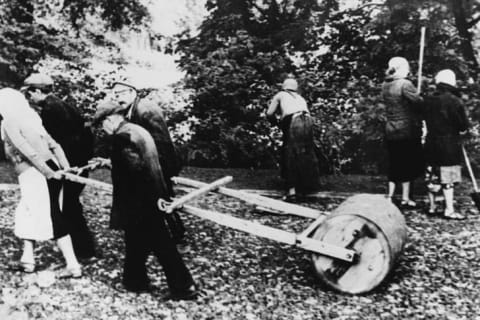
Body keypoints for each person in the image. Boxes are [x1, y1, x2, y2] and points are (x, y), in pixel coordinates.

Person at [92, 102, 198, 299]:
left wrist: (142, 200)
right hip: (150, 195)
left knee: (160, 243)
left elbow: (135, 170)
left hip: (139, 200)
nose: (102, 130)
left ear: (109, 119)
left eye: (101, 124)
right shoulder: (136, 130)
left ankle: (184, 287)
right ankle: (134, 280)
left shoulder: (121, 137)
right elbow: (146, 162)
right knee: (135, 239)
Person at [0, 88, 82, 277]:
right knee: (27, 211)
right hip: (48, 169)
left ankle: (73, 265)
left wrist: (48, 173)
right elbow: (54, 144)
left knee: (52, 216)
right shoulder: (32, 118)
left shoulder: (9, 122)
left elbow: (26, 150)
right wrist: (65, 166)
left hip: (36, 173)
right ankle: (27, 260)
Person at [22, 73, 96, 259]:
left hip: (71, 165)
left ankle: (83, 250)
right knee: (70, 205)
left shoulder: (51, 110)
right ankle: (81, 248)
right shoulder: (62, 106)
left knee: (69, 206)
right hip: (78, 163)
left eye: (29, 94)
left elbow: (55, 143)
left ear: (38, 91)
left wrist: (64, 166)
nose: (28, 99)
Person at [108, 83, 186, 245]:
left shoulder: (146, 110)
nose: (118, 98)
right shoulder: (130, 110)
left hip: (159, 164)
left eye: (120, 94)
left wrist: (163, 172)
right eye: (115, 95)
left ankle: (179, 238)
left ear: (132, 92)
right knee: (150, 199)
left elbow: (162, 143)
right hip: (148, 163)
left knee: (164, 199)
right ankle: (153, 236)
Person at [422, 69, 468, 220]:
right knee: (447, 177)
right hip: (448, 143)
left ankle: (432, 206)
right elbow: (462, 125)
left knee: (432, 175)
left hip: (431, 141)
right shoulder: (455, 101)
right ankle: (449, 209)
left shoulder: (428, 99)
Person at [266, 76, 320, 202]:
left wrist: (275, 123)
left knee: (290, 154)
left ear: (284, 86)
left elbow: (269, 113)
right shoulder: (300, 98)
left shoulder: (281, 94)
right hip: (308, 121)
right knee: (306, 152)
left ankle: (292, 192)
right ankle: (306, 189)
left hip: (295, 122)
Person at [381, 57, 424, 207]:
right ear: (402, 69)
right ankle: (406, 198)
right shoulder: (405, 84)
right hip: (406, 129)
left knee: (394, 162)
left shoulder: (385, 84)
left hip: (390, 128)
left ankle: (390, 196)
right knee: (407, 162)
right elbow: (419, 104)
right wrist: (419, 96)